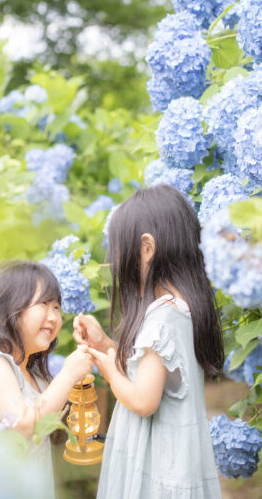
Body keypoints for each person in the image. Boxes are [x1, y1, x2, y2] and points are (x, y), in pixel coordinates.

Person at [74, 184, 224, 498]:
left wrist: (109, 371)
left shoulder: (163, 317)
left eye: (119, 251)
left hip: (157, 467)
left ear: (146, 248)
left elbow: (143, 401)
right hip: (176, 459)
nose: (116, 262)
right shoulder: (182, 309)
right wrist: (106, 345)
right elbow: (151, 373)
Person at [0, 260, 93, 498]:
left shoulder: (37, 377)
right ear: (3, 313)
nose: (53, 316)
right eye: (43, 304)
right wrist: (69, 374)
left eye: (57, 307)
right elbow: (25, 425)